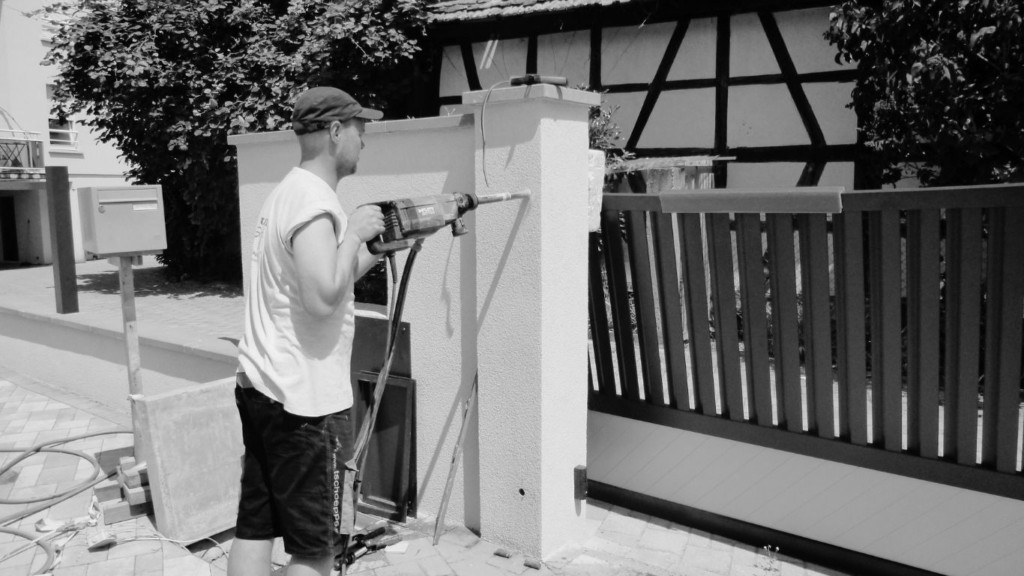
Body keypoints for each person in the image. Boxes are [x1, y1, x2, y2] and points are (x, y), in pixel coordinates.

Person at [228, 86, 385, 576]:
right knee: (316, 548)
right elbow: (322, 301)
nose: (364, 140)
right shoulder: (316, 204)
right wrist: (355, 231)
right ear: (336, 132)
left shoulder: (287, 193)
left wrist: (373, 250)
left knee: (256, 525)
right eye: (360, 129)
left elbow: (323, 280)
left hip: (263, 386)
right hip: (304, 402)